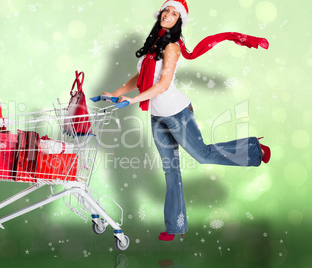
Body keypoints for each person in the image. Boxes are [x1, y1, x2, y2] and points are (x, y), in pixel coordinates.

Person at [102, 0, 271, 241]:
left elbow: (162, 85)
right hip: (157, 117)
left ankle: (253, 149)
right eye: (166, 11)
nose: (168, 15)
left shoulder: (172, 47)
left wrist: (131, 101)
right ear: (160, 14)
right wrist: (118, 93)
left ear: (179, 21)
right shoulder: (153, 45)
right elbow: (142, 76)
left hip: (177, 113)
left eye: (174, 13)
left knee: (202, 154)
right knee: (171, 172)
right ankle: (175, 227)